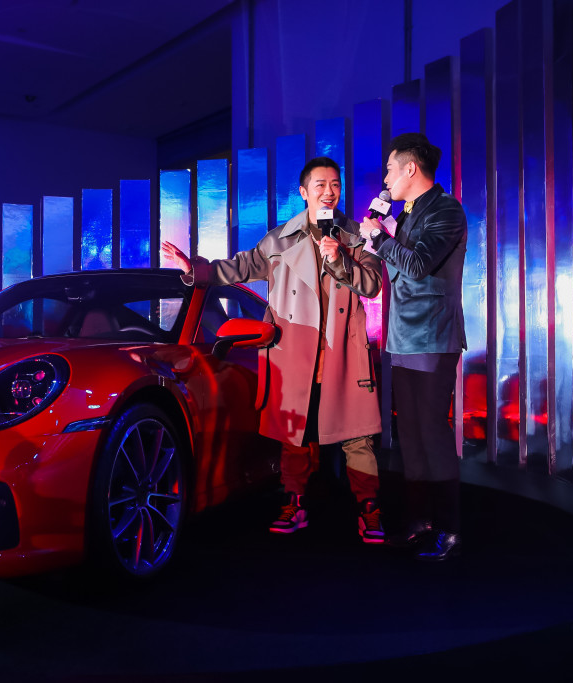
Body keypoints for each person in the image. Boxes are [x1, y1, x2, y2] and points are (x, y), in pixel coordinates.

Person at [160, 157, 385, 543]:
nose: (328, 192)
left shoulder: (357, 237)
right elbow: (239, 267)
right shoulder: (280, 239)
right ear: (303, 192)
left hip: (342, 352)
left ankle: (369, 508)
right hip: (296, 352)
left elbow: (373, 285)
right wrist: (197, 270)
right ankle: (294, 503)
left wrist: (339, 260)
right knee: (294, 435)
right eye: (320, 185)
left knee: (357, 437)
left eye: (335, 184)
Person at [358, 133, 468, 562]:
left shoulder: (446, 210)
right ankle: (420, 520)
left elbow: (420, 265)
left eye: (390, 169)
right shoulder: (406, 213)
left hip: (433, 336)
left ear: (410, 168)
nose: (385, 179)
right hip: (402, 337)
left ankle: (449, 529)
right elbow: (395, 268)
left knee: (432, 432)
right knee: (410, 433)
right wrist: (373, 239)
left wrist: (382, 239)